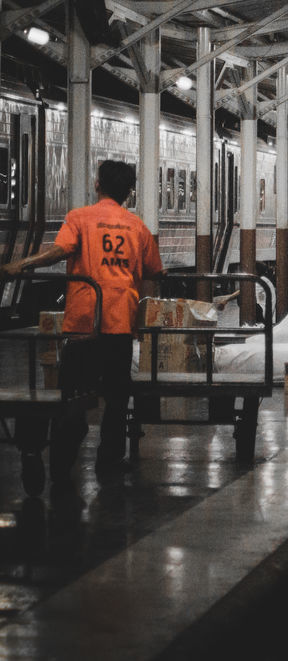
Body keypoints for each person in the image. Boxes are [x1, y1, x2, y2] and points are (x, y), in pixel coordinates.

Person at [0, 160, 165, 483]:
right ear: (129, 192)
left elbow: (60, 251)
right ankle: (109, 462)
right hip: (119, 325)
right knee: (117, 399)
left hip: (84, 324)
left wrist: (22, 263)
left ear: (97, 185)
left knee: (71, 396)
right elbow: (154, 273)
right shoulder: (137, 226)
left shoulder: (79, 218)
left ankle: (61, 464)